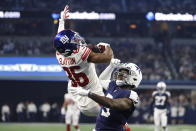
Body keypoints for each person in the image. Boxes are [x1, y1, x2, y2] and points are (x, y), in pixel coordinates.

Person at [53, 5, 113, 116]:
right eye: (74, 41)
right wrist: (106, 46)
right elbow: (108, 58)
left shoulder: (59, 54)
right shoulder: (81, 55)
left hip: (79, 99)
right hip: (95, 101)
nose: (77, 41)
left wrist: (62, 21)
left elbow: (60, 37)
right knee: (118, 112)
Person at [70, 60, 142, 131]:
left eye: (124, 73)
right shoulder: (114, 85)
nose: (120, 74)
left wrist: (89, 94)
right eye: (120, 72)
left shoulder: (131, 95)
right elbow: (102, 80)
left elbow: (111, 103)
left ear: (134, 78)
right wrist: (111, 67)